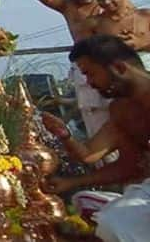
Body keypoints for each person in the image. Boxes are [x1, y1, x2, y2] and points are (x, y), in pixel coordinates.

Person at [41, 35, 150, 242]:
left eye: (90, 74)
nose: (89, 84)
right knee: (103, 218)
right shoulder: (121, 109)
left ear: (119, 68)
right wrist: (72, 180)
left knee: (114, 222)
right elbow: (127, 164)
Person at [33, 0, 106, 137]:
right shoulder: (68, 6)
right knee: (91, 114)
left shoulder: (108, 3)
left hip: (111, 63)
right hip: (84, 66)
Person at [85, 0, 150, 61]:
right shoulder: (93, 23)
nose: (106, 2)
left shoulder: (145, 16)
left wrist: (140, 43)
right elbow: (86, 54)